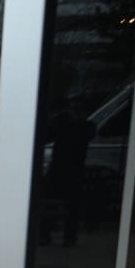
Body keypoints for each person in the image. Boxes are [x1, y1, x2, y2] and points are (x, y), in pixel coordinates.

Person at [41, 92, 97, 247]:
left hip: (72, 169)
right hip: (60, 167)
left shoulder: (86, 125)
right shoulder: (62, 121)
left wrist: (73, 121)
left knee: (72, 205)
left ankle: (67, 237)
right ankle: (46, 234)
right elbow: (48, 135)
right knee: (50, 202)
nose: (74, 109)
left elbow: (87, 135)